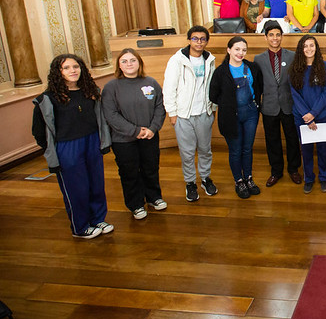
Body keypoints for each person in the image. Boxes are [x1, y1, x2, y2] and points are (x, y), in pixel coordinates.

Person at [32, 54, 113, 239]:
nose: (73, 70)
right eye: (66, 68)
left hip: (91, 141)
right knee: (76, 188)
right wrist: (52, 151)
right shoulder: (48, 99)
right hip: (67, 147)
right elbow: (39, 131)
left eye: (76, 66)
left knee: (96, 184)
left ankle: (98, 219)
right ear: (58, 72)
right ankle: (80, 226)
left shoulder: (90, 91)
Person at [102, 48, 166, 220]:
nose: (129, 64)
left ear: (139, 63)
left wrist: (153, 128)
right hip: (123, 140)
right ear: (119, 65)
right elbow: (111, 115)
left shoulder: (151, 82)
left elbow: (160, 107)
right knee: (129, 172)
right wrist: (136, 131)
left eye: (132, 60)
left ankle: (154, 197)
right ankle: (136, 204)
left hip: (150, 136)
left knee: (150, 168)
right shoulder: (111, 87)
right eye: (124, 61)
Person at [163, 25, 218, 202]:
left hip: (204, 112)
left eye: (202, 39)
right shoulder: (177, 60)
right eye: (195, 38)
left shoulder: (210, 59)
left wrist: (213, 108)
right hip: (183, 115)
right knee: (187, 152)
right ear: (189, 40)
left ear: (206, 41)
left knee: (205, 149)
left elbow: (213, 86)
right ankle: (190, 183)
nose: (199, 42)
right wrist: (172, 113)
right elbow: (169, 88)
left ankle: (205, 178)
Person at [209, 36, 263, 199]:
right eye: (237, 49)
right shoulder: (221, 71)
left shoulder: (252, 68)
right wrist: (228, 105)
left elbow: (259, 87)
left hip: (251, 114)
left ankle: (248, 178)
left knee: (247, 148)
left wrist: (255, 105)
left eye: (244, 50)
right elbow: (213, 95)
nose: (241, 53)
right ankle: (239, 181)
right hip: (231, 116)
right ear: (229, 50)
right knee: (235, 149)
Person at [253, 21, 303, 188]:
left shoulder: (292, 56)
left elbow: (297, 81)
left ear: (282, 36)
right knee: (272, 140)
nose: (275, 38)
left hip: (289, 105)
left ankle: (294, 169)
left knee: (292, 138)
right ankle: (276, 171)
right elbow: (257, 85)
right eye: (271, 35)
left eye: (278, 35)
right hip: (269, 105)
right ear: (266, 37)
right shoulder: (258, 59)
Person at [290, 35, 326, 194]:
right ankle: (309, 179)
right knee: (306, 150)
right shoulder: (295, 68)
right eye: (305, 46)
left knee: (323, 150)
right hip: (302, 117)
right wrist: (307, 116)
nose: (309, 49)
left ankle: (324, 177)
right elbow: (295, 94)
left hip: (321, 116)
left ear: (316, 47)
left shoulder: (324, 66)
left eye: (311, 45)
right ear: (301, 49)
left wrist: (313, 113)